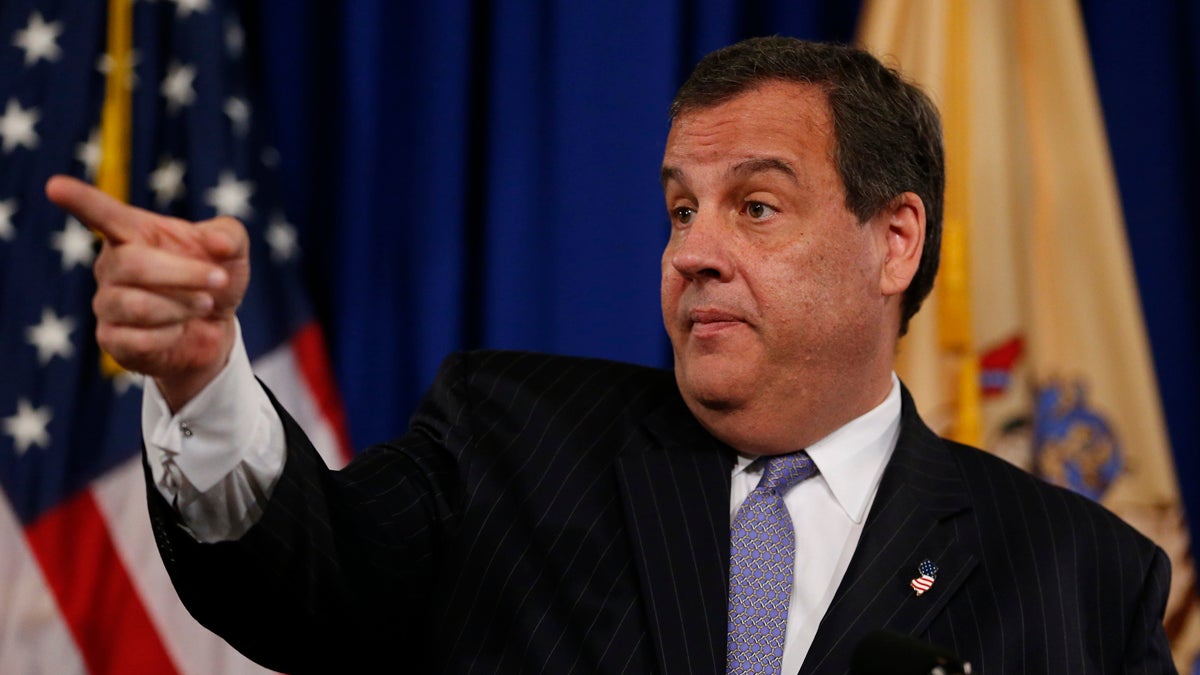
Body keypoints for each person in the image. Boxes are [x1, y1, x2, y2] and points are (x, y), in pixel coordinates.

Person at [47, 37, 1175, 674]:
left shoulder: (1081, 579)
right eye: (682, 209)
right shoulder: (509, 440)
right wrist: (200, 380)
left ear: (895, 241)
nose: (696, 253)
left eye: (758, 208)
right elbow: (307, 579)